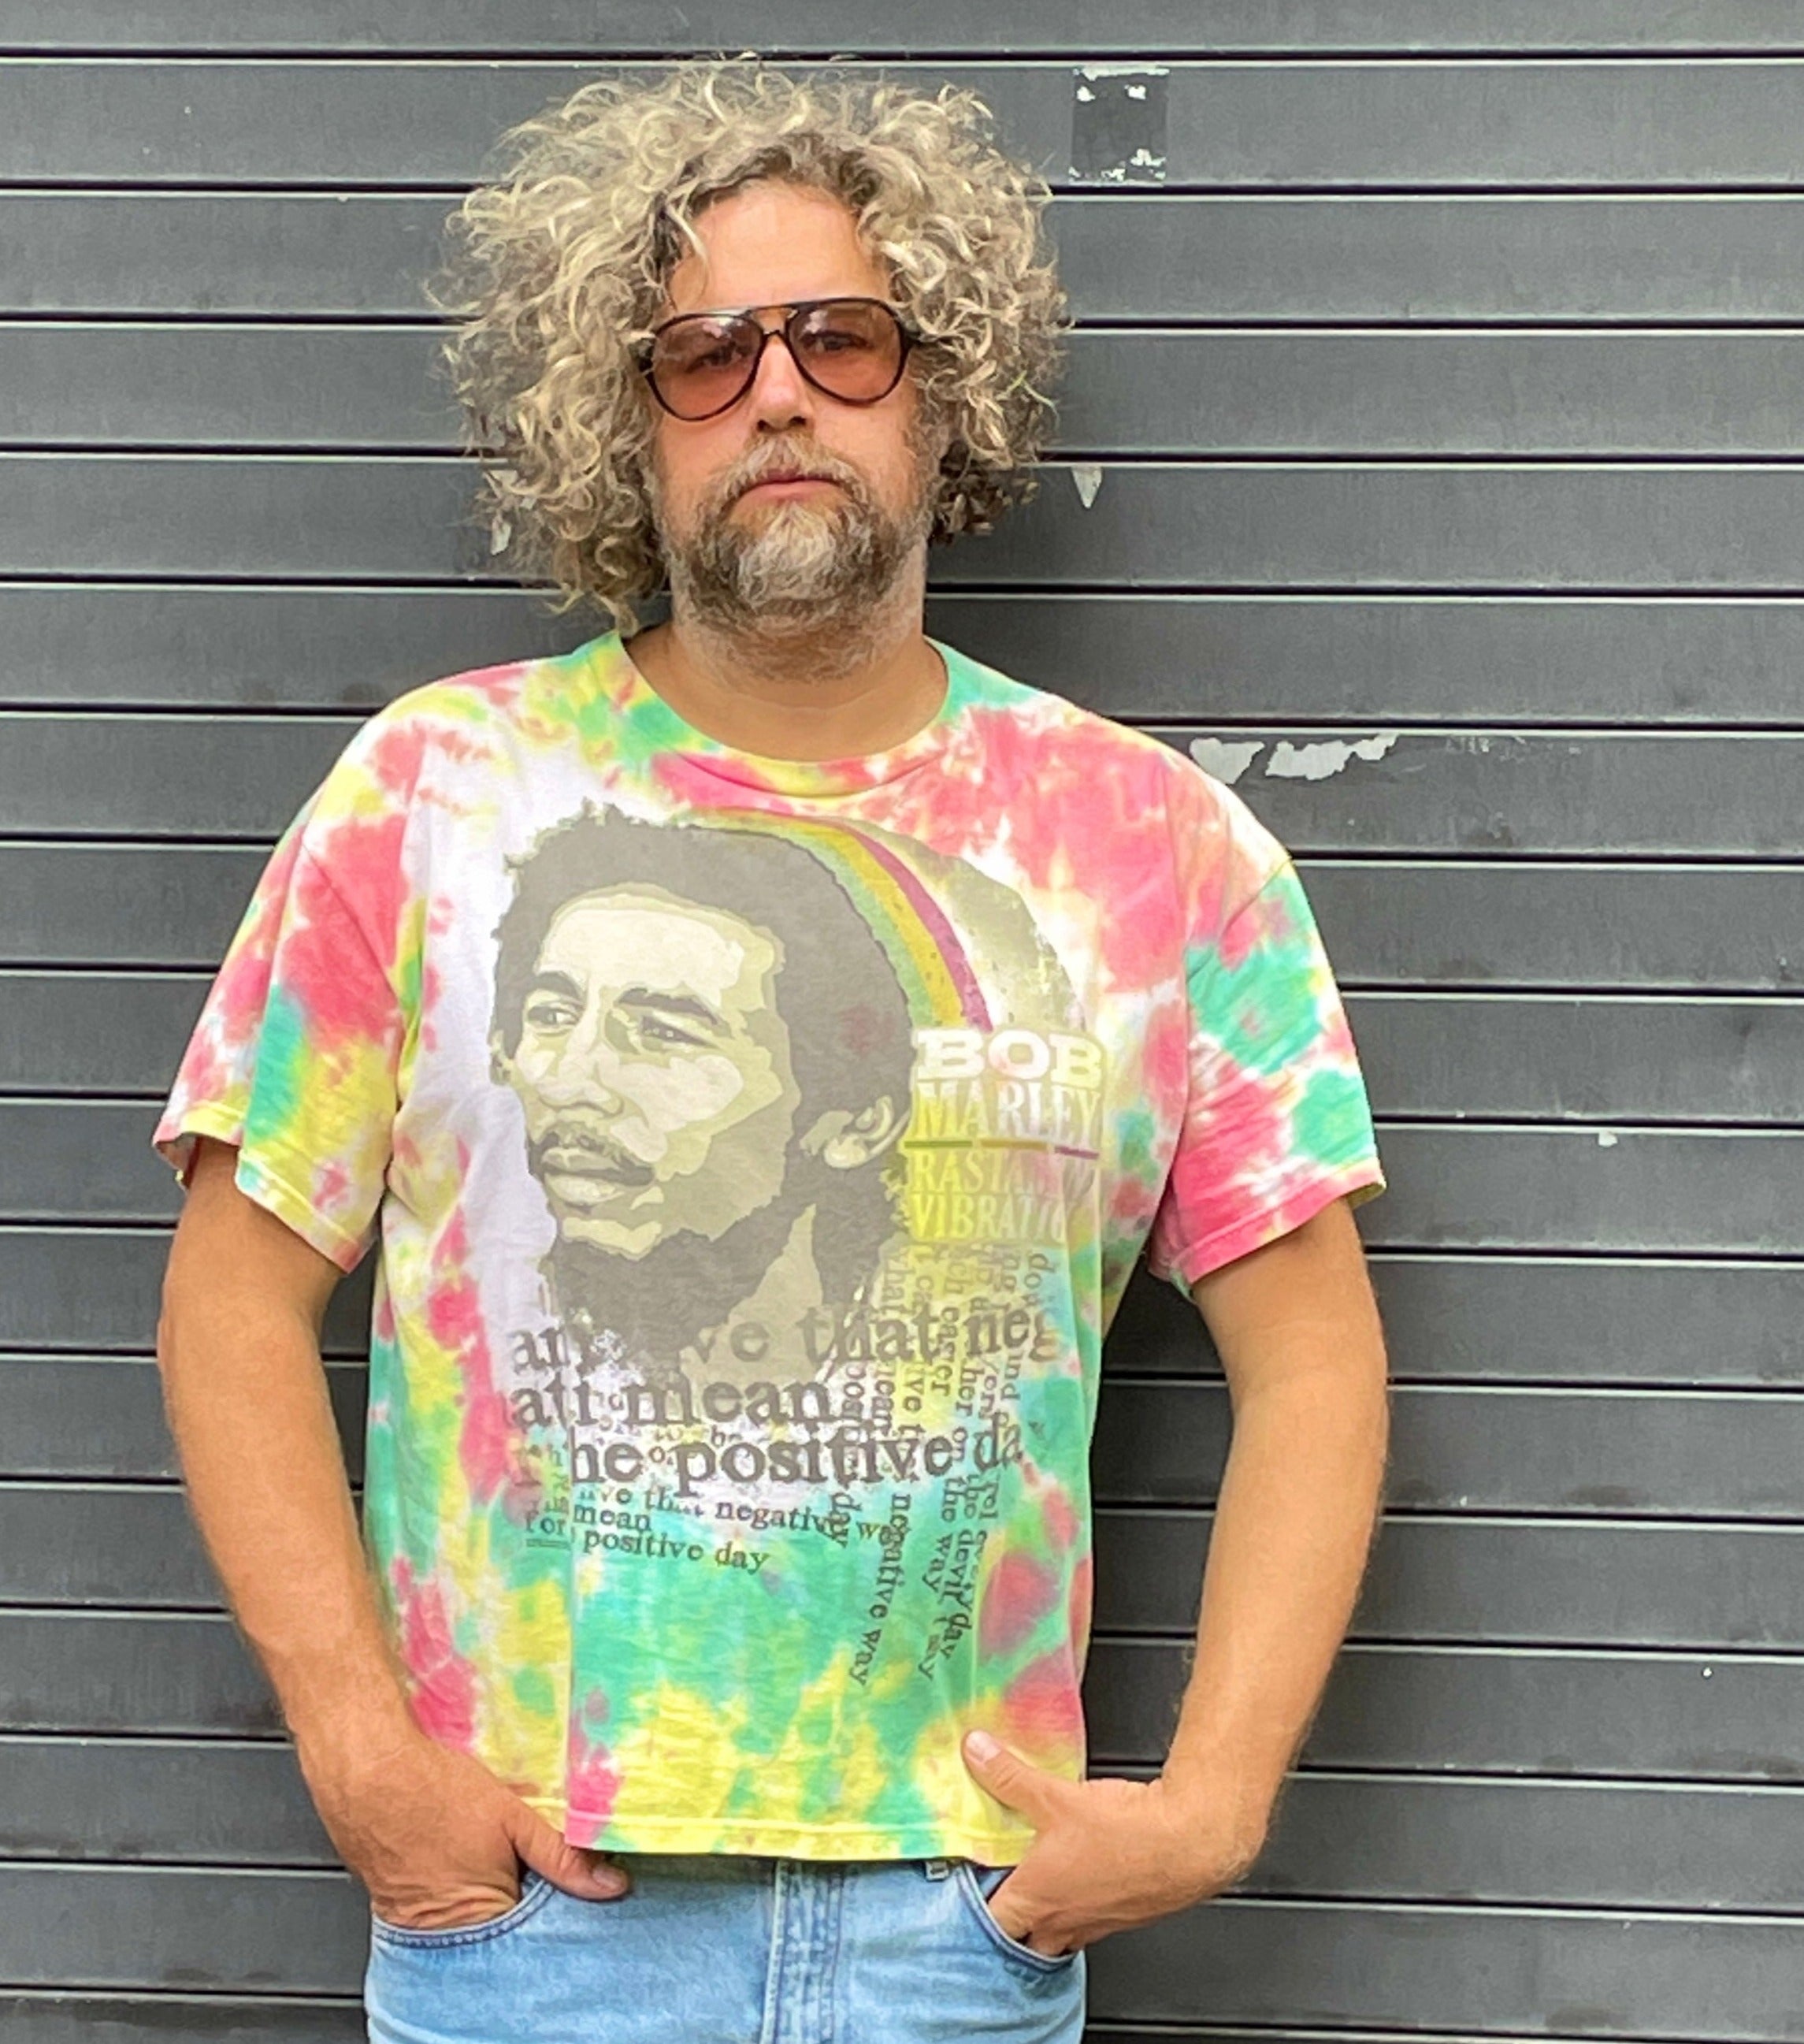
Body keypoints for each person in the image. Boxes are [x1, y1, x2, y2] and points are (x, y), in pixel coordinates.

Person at [151, 58, 1390, 2044]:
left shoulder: (1153, 847)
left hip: (955, 1930)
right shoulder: (433, 794)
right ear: (624, 426)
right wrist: (369, 1764)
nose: (780, 393)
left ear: (939, 392)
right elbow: (233, 1294)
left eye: (842, 338)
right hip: (531, 1917)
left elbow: (1312, 1353)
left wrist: (1211, 1802)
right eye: (703, 355)